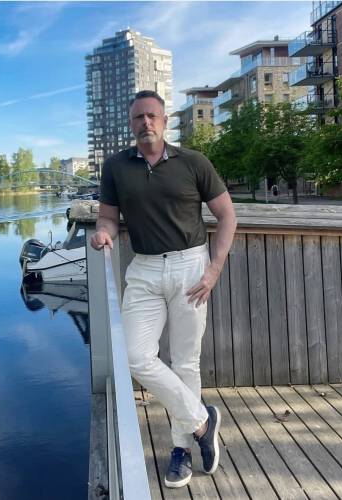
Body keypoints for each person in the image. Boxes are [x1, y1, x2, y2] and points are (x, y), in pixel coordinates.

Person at [90, 90, 236, 488]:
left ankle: (181, 450)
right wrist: (103, 233)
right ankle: (202, 421)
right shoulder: (116, 166)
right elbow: (108, 218)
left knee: (186, 361)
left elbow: (227, 215)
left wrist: (214, 269)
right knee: (135, 356)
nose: (145, 123)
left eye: (152, 116)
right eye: (138, 117)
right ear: (131, 123)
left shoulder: (193, 162)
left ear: (164, 120)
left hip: (191, 267)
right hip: (145, 269)